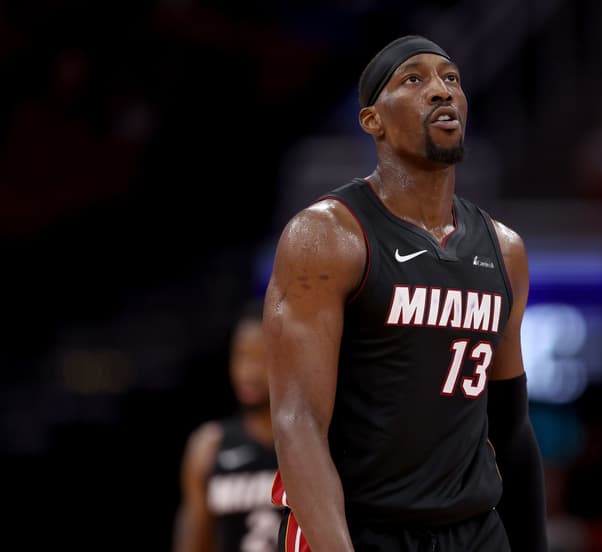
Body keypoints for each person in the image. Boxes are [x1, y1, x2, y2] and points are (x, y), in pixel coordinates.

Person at [263, 35, 547, 552]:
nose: (441, 91)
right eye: (414, 79)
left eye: (451, 79)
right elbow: (298, 421)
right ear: (373, 121)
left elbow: (511, 425)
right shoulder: (327, 237)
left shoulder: (505, 251)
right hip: (361, 527)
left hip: (473, 530)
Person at [173, 300, 282, 552]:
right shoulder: (208, 445)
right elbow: (193, 542)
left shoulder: (316, 445)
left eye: (261, 358)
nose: (248, 371)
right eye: (241, 356)